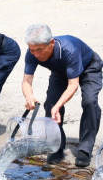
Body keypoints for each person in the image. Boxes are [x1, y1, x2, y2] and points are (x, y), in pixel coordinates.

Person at [22, 24, 102, 167]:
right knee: (50, 103)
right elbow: (27, 80)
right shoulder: (32, 52)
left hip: (89, 67)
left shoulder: (68, 50)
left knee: (90, 102)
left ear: (51, 43)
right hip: (61, 70)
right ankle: (56, 146)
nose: (36, 54)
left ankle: (85, 149)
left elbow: (73, 85)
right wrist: (29, 97)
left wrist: (58, 107)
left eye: (39, 50)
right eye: (32, 50)